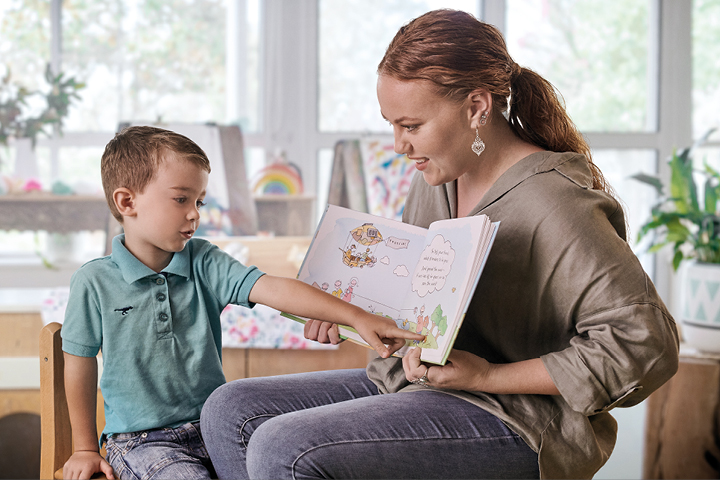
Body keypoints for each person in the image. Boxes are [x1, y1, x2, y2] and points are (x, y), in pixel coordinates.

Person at [200, 9, 679, 479]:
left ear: (476, 107)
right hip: (423, 383)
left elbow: (645, 346)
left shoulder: (559, 204)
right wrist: (350, 314)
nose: (398, 145)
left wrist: (488, 376)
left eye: (411, 126)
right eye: (391, 124)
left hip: (521, 418)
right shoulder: (433, 181)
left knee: (285, 447)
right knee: (230, 411)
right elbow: (423, 303)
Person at [60, 126, 423, 480]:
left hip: (213, 428)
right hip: (143, 442)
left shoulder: (203, 260)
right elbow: (79, 365)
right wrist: (85, 448)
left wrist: (356, 316)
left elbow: (274, 289)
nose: (195, 214)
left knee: (284, 459)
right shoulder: (93, 282)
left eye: (198, 201)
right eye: (181, 198)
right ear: (127, 202)